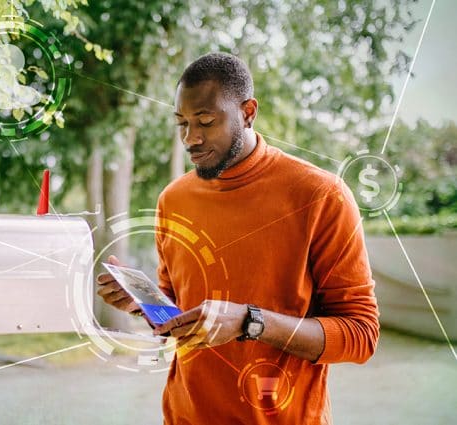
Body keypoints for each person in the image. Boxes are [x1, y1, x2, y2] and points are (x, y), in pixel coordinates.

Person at [96, 52, 378, 424]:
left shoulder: (322, 195)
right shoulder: (173, 200)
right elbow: (178, 317)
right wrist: (143, 304)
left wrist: (250, 321)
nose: (191, 138)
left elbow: (361, 335)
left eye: (206, 122)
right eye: (182, 123)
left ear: (248, 112)